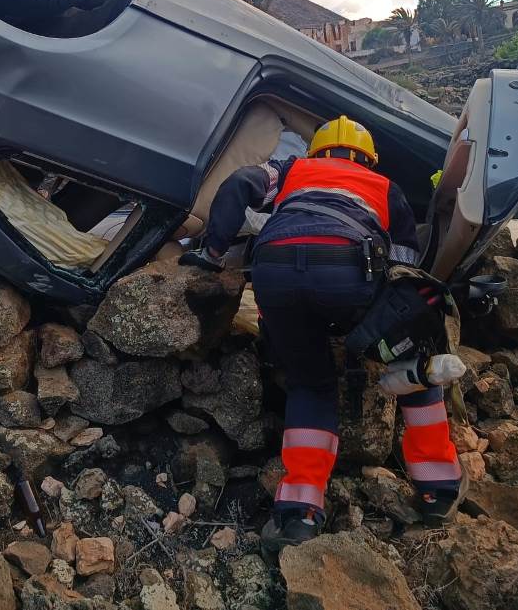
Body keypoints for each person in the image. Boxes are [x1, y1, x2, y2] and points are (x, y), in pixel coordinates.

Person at [180, 115, 465, 556]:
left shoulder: (292, 170)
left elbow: (239, 183)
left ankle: (298, 512)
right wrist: (389, 331)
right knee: (414, 367)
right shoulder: (383, 186)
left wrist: (213, 254)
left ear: (318, 153)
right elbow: (404, 268)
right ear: (367, 158)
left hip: (273, 270)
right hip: (350, 271)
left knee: (311, 385)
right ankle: (438, 490)